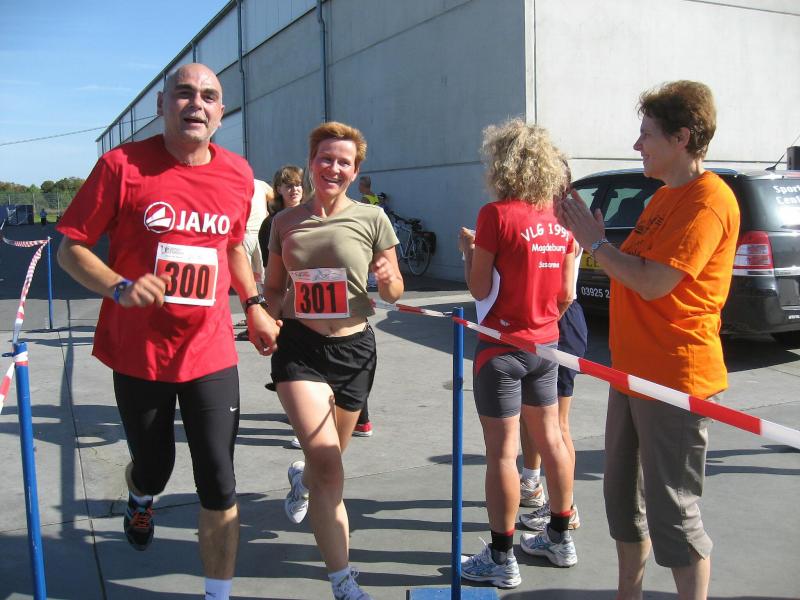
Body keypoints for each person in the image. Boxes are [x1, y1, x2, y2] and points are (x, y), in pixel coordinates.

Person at [56, 63, 281, 600]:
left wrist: (252, 304)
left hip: (209, 350)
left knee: (219, 481)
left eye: (209, 96)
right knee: (155, 468)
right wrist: (118, 287)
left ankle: (216, 594)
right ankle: (141, 498)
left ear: (221, 113)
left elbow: (231, 246)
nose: (196, 103)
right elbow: (71, 249)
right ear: (162, 105)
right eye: (184, 93)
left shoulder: (237, 174)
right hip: (140, 352)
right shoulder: (121, 166)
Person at [557, 80, 739, 600]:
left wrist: (596, 243)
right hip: (631, 373)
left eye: (647, 134)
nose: (637, 144)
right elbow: (630, 266)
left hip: (675, 378)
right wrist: (594, 243)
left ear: (682, 138)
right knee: (622, 501)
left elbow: (654, 282)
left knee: (674, 514)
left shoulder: (708, 202)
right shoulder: (663, 197)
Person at [263, 121, 403, 599]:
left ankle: (300, 479)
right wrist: (265, 316)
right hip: (300, 348)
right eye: (326, 158)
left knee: (327, 461)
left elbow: (395, 289)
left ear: (355, 170)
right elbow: (274, 287)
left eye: (344, 162)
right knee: (329, 467)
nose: (334, 168)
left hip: (355, 350)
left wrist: (388, 279)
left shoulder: (372, 218)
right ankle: (343, 581)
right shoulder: (284, 222)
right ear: (311, 162)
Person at [458, 119, 577, 589]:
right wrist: (542, 319)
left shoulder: (496, 215)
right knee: (553, 440)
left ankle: (501, 557)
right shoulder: (561, 219)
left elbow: (478, 287)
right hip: (546, 347)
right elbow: (566, 295)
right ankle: (560, 537)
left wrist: (468, 251)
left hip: (500, 349)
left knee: (502, 454)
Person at [518, 161, 587, 532]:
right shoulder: (537, 215)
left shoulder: (565, 220)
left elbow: (565, 294)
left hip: (559, 323)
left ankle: (566, 507)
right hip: (541, 323)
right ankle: (531, 483)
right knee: (529, 415)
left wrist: (542, 325)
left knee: (556, 425)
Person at [235, 178, 273, 340]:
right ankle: (261, 320)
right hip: (254, 234)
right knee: (259, 281)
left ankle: (257, 322)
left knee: (249, 283)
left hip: (249, 236)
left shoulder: (242, 183)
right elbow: (274, 197)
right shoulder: (261, 184)